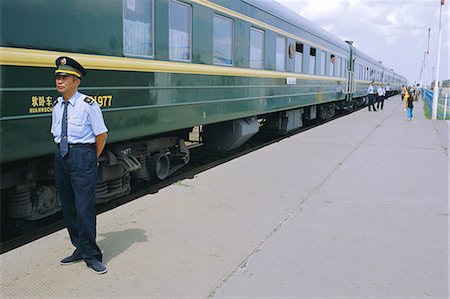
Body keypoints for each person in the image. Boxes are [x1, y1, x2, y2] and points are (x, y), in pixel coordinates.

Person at [51, 56, 108, 274]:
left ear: (77, 81)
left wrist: (90, 156)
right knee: (69, 206)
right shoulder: (57, 105)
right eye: (57, 77)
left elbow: (101, 134)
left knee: (84, 208)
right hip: (62, 157)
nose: (59, 81)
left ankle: (92, 255)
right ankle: (79, 247)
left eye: (65, 77)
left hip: (83, 155)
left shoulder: (88, 105)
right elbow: (56, 132)